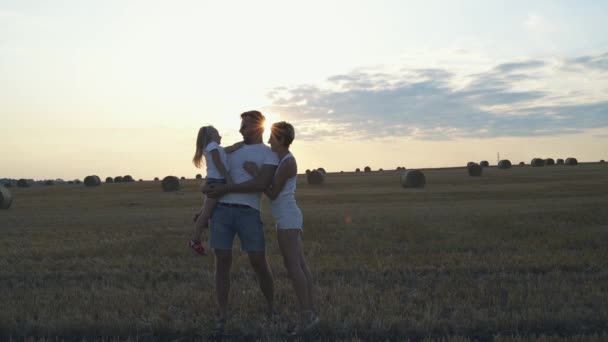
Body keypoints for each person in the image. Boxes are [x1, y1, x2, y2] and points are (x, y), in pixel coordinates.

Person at [201, 110, 279, 337]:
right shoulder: (231, 150)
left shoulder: (269, 154)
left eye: (244, 126)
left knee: (259, 261)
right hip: (221, 211)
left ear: (258, 127)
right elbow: (212, 179)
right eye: (240, 125)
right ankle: (222, 315)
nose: (240, 130)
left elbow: (261, 184)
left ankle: (271, 309)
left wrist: (227, 188)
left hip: (249, 212)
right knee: (222, 262)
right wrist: (203, 208)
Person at [244, 122, 319, 335]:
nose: (268, 141)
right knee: (300, 267)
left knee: (294, 268)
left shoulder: (287, 162)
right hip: (287, 217)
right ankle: (311, 313)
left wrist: (255, 173)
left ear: (281, 139)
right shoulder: (283, 159)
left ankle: (306, 317)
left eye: (272, 138)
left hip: (287, 217)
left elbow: (273, 192)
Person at [190, 125, 241, 256]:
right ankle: (195, 241)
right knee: (207, 214)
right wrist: (228, 178)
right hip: (216, 182)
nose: (220, 136)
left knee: (205, 211)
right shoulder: (212, 146)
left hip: (213, 180)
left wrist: (245, 142)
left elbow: (231, 148)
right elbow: (219, 163)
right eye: (218, 133)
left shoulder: (215, 147)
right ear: (211, 136)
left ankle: (198, 216)